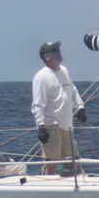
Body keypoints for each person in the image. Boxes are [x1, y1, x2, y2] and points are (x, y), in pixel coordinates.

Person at [31, 41, 86, 175]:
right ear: (47, 57)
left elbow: (72, 89)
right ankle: (48, 183)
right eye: (56, 51)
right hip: (51, 126)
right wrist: (41, 126)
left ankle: (71, 182)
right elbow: (38, 104)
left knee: (73, 160)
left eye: (58, 50)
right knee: (52, 161)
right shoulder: (40, 77)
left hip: (67, 124)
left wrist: (80, 107)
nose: (60, 54)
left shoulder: (64, 70)